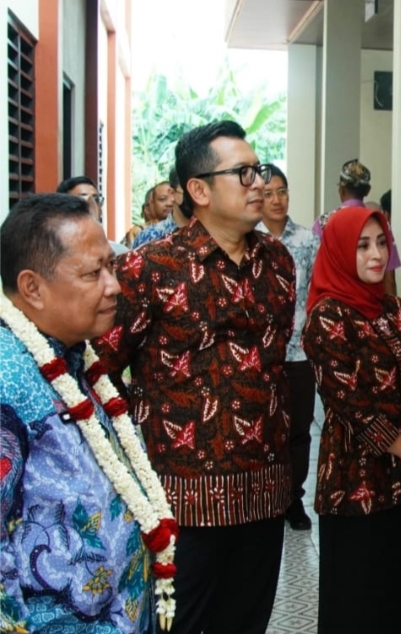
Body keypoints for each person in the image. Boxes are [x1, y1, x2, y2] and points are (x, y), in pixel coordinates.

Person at [95, 120, 295, 634]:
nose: (259, 183)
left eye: (261, 170)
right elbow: (100, 367)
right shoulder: (150, 269)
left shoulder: (278, 263)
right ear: (199, 190)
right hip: (184, 504)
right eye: (243, 173)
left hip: (264, 494)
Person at [1, 193, 177, 633]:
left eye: (111, 267)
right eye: (91, 273)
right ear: (32, 288)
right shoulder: (8, 380)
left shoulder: (74, 357)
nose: (113, 285)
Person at [301, 205, 401, 634]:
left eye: (381, 242)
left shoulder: (393, 309)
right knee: (354, 601)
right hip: (352, 482)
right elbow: (349, 402)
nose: (376, 254)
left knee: (392, 594)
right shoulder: (326, 317)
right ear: (341, 251)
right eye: (362, 245)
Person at [256, 163, 320, 531]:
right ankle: (267, 497)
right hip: (261, 356)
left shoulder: (308, 240)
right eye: (268, 193)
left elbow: (317, 292)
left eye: (282, 191)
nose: (277, 200)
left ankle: (293, 499)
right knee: (265, 432)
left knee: (298, 431)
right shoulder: (251, 240)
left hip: (299, 354)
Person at [314, 159, 401, 295]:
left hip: (334, 305)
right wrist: (394, 313)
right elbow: (389, 280)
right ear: (367, 191)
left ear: (341, 190)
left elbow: (314, 272)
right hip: (372, 306)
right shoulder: (380, 224)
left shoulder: (323, 223)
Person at [57, 175, 128, 255]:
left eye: (96, 199)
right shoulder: (55, 253)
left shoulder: (119, 253)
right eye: (83, 200)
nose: (91, 204)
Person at [132, 180, 186, 248]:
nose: (169, 203)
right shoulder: (145, 236)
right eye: (162, 199)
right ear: (153, 204)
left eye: (173, 197)